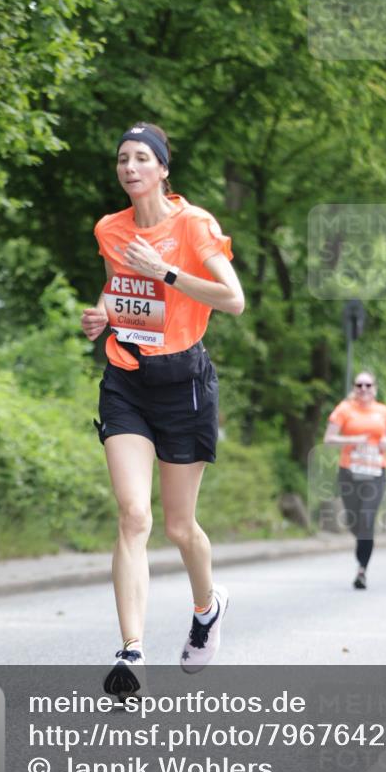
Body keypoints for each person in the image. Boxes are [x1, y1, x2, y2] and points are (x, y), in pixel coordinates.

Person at [80, 121, 245, 699]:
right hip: (127, 378)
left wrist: (168, 272)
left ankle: (207, 607)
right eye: (122, 157)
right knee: (133, 516)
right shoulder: (110, 227)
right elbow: (116, 284)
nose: (129, 167)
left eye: (142, 158)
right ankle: (132, 652)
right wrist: (102, 313)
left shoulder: (193, 224)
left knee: (179, 526)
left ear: (163, 168)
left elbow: (234, 300)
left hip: (185, 384)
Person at [323, 371, 386, 590]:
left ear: (374, 388)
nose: (363, 389)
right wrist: (354, 439)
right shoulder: (344, 409)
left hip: (376, 472)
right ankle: (363, 540)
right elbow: (328, 439)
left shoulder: (383, 411)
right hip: (349, 472)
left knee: (366, 517)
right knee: (355, 521)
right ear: (354, 388)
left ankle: (362, 570)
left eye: (368, 385)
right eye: (359, 385)